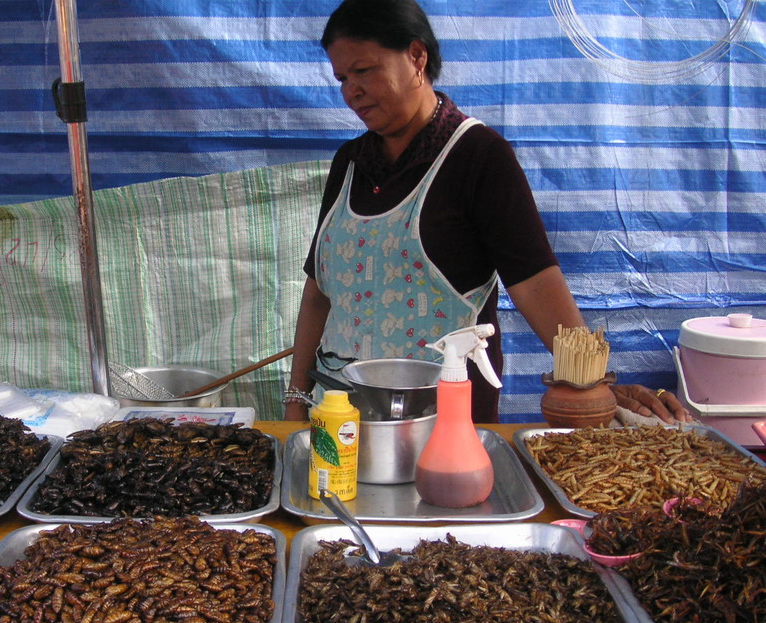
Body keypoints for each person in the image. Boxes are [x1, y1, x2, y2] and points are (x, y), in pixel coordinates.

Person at [283, 0, 691, 424]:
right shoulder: (348, 162)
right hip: (337, 419)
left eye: (364, 71)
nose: (352, 91)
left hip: (443, 422)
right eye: (342, 78)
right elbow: (319, 294)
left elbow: (535, 282)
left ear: (417, 57)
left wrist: (592, 380)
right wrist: (296, 400)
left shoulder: (479, 157)